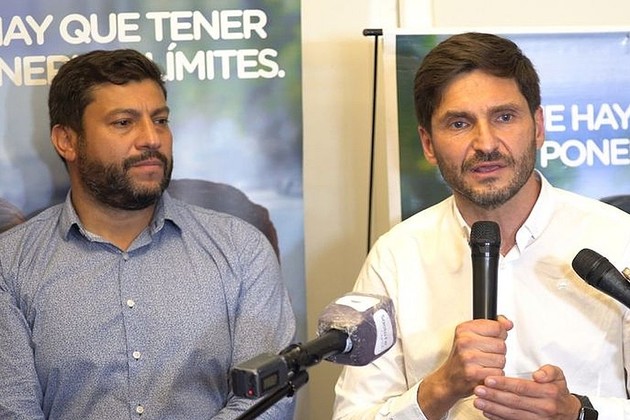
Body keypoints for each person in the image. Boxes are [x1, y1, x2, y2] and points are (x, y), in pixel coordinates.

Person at [333, 32, 630, 419]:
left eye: (504, 117)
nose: (486, 143)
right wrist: (439, 388)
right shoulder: (396, 257)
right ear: (428, 143)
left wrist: (578, 413)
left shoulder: (617, 238)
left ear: (538, 126)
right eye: (459, 123)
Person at [0, 49, 296, 419]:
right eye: (124, 123)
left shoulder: (241, 250)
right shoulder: (10, 265)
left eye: (160, 120)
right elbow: (13, 410)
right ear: (67, 141)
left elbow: (266, 401)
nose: (151, 139)